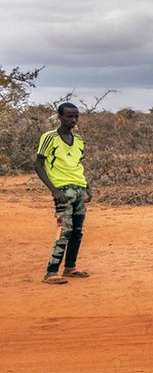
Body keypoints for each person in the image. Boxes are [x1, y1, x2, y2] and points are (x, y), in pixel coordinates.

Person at [36, 102, 90, 284]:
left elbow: (78, 165)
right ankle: (51, 272)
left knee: (77, 231)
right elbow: (38, 165)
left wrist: (87, 187)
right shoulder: (49, 137)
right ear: (60, 117)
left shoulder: (79, 140)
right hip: (62, 191)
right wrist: (54, 190)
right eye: (69, 116)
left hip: (79, 189)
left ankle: (70, 267)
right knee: (63, 230)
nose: (73, 120)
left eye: (76, 116)